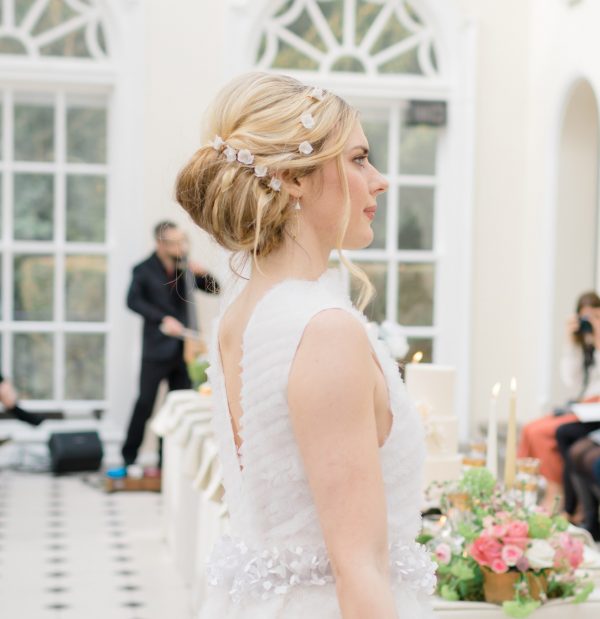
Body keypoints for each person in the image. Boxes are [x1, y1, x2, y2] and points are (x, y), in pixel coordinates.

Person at [175, 73, 436, 617]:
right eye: (359, 159)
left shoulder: (240, 316)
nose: (380, 180)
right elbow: (357, 565)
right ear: (294, 178)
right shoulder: (323, 329)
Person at [110, 221, 220, 476]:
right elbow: (132, 301)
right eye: (175, 243)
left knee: (176, 407)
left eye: (183, 242)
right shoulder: (143, 269)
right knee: (145, 403)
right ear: (160, 244)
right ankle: (128, 460)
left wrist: (203, 274)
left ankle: (165, 464)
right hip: (156, 350)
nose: (181, 247)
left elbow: (216, 290)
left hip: (183, 352)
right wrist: (161, 319)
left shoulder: (186, 269)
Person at [518, 291, 600, 514]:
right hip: (582, 404)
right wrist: (572, 342)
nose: (590, 323)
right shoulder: (585, 345)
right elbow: (571, 383)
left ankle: (557, 493)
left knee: (541, 433)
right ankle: (528, 489)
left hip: (595, 409)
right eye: (586, 318)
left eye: (596, 316)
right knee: (528, 428)